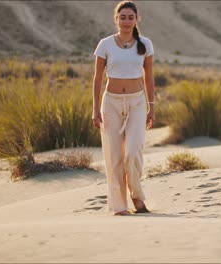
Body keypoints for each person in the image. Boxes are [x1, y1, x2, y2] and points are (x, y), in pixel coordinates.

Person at [92, 1, 155, 216]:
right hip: (111, 103)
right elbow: (97, 79)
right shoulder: (105, 44)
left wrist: (151, 108)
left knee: (133, 152)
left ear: (137, 19)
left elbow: (149, 78)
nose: (127, 21)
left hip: (137, 103)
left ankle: (137, 196)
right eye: (123, 17)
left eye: (131, 17)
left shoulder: (145, 44)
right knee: (114, 156)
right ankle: (119, 206)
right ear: (116, 19)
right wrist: (94, 109)